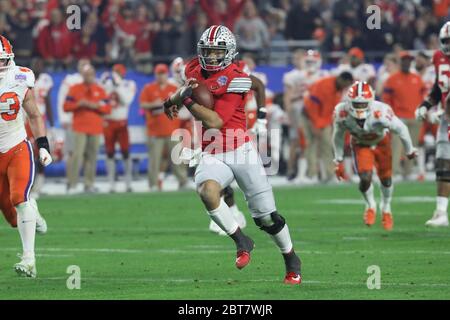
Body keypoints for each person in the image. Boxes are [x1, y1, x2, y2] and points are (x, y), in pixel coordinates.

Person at [164, 25, 302, 284]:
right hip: (212, 151)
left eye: (217, 52)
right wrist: (170, 100)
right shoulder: (193, 68)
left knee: (266, 218)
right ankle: (241, 241)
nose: (212, 57)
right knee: (207, 191)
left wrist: (185, 100)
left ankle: (291, 258)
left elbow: (215, 120)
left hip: (241, 150)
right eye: (208, 51)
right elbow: (186, 89)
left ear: (228, 53)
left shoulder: (235, 77)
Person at [0, 35, 52, 277]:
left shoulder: (20, 77)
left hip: (16, 146)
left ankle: (29, 259)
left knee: (19, 198)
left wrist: (43, 144)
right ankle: (34, 211)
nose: (1, 66)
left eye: (3, 60)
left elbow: (34, 114)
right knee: (11, 217)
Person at [333, 82, 417, 230]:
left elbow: (401, 129)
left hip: (381, 143)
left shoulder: (382, 111)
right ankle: (370, 205)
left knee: (386, 180)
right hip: (360, 144)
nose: (359, 108)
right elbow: (338, 136)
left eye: (363, 104)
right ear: (349, 102)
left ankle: (386, 207)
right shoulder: (341, 112)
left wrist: (409, 149)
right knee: (365, 178)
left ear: (370, 102)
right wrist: (338, 159)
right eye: (356, 104)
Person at [416, 22, 450, 227]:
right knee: (442, 163)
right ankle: (441, 212)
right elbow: (439, 88)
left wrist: (442, 110)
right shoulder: (438, 57)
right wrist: (426, 104)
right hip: (446, 116)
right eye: (447, 41)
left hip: (446, 113)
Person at [139, 63, 188, 191]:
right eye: (159, 74)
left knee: (177, 157)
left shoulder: (174, 88)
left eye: (163, 73)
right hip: (155, 130)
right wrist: (153, 104)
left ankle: (182, 181)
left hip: (172, 129)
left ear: (167, 74)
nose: (161, 76)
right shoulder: (149, 88)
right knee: (154, 159)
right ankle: (153, 184)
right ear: (155, 75)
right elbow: (142, 105)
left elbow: (182, 104)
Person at [64, 64, 111, 194]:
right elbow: (66, 106)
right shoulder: (75, 89)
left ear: (94, 74)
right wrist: (79, 104)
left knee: (92, 156)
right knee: (77, 156)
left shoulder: (100, 90)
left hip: (95, 127)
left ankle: (89, 184)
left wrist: (95, 106)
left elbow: (107, 108)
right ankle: (72, 184)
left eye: (91, 74)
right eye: (86, 74)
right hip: (79, 127)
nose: (89, 76)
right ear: (82, 75)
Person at [283, 49, 328, 182]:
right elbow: (292, 95)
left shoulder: (324, 74)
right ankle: (306, 174)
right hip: (302, 112)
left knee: (323, 144)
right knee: (304, 143)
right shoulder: (299, 75)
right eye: (308, 61)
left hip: (320, 113)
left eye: (312, 61)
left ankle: (323, 174)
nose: (310, 64)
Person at [382, 51, 427, 180]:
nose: (407, 62)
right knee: (396, 146)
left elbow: (424, 96)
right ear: (400, 62)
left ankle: (408, 172)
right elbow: (386, 98)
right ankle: (394, 172)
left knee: (412, 146)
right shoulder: (392, 79)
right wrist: (390, 115)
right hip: (398, 118)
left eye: (408, 60)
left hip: (414, 117)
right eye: (404, 60)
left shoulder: (417, 79)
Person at [302, 72, 354, 182]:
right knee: (311, 144)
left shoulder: (339, 89)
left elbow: (330, 109)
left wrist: (326, 125)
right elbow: (312, 107)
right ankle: (312, 175)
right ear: (340, 79)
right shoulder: (324, 85)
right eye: (345, 84)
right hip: (308, 117)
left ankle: (330, 175)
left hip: (323, 120)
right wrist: (315, 125)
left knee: (327, 145)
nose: (345, 87)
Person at [100, 64, 136, 193]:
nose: (116, 75)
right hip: (108, 122)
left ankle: (128, 183)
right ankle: (111, 184)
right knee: (109, 153)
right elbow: (102, 98)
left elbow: (126, 100)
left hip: (122, 122)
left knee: (126, 152)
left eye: (118, 73)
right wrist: (105, 84)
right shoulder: (107, 84)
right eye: (115, 72)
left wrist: (118, 85)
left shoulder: (129, 84)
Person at [27, 58, 54, 199]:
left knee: (42, 153)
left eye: (40, 64)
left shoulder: (46, 80)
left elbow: (48, 102)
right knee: (28, 154)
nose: (38, 66)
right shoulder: (24, 78)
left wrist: (53, 124)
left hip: (40, 121)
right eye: (36, 64)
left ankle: (39, 185)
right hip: (26, 120)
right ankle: (29, 186)